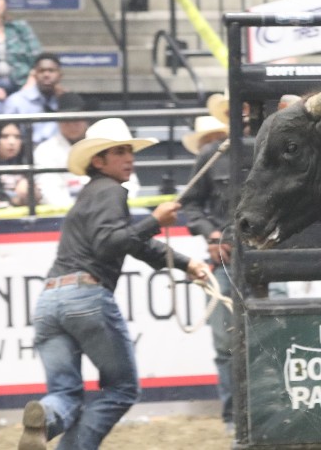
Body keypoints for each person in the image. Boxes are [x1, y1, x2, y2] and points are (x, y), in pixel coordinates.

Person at [16, 117, 210, 450]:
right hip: (86, 296)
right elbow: (112, 243)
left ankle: (45, 418)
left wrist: (185, 263)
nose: (129, 158)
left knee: (64, 393)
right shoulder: (111, 192)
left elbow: (130, 242)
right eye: (119, 152)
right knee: (121, 389)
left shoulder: (90, 196)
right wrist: (155, 221)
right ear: (99, 161)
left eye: (128, 151)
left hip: (50, 300)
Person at [178, 114, 234, 433]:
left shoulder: (268, 148)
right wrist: (212, 235)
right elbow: (192, 206)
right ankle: (233, 417)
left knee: (270, 337)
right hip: (225, 259)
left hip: (261, 260)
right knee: (227, 344)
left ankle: (252, 415)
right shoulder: (211, 156)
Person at [33, 92, 92, 207]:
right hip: (65, 212)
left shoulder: (102, 143)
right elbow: (49, 190)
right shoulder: (45, 150)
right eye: (66, 120)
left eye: (76, 119)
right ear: (58, 121)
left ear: (86, 119)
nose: (71, 125)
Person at [3, 52, 64, 145]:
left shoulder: (67, 100)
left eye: (51, 71)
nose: (46, 75)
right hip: (25, 153)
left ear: (60, 74)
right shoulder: (16, 101)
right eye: (41, 71)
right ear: (34, 74)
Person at [0, 122, 38, 208]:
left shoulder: (28, 162)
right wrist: (14, 198)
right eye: (4, 136)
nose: (12, 142)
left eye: (17, 137)